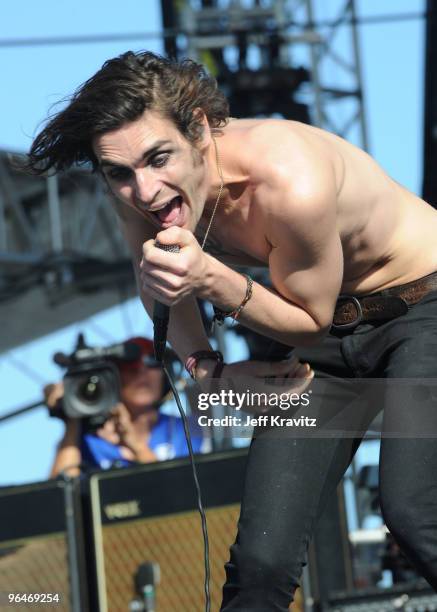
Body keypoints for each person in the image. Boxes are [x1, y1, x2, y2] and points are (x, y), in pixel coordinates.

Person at [26, 50, 437, 608]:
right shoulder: (135, 190)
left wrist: (213, 279)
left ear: (197, 128)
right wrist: (207, 368)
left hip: (422, 307)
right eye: (120, 173)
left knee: (414, 509)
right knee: (261, 562)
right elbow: (163, 282)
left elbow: (309, 318)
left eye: (159, 158)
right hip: (328, 341)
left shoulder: (289, 179)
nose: (144, 192)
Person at [46, 336, 206, 478]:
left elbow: (188, 496)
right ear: (112, 379)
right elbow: (59, 501)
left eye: (152, 361)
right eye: (129, 366)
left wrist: (137, 448)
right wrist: (71, 420)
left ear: (166, 375)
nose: (142, 371)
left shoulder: (188, 430)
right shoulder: (87, 442)